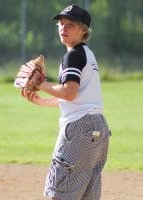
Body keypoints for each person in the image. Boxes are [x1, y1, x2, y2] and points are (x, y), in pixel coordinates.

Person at [20, 4, 111, 200]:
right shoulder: (87, 54)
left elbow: (69, 93)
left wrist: (40, 83)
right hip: (98, 128)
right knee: (86, 195)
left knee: (58, 194)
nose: (63, 28)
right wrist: (41, 100)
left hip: (79, 130)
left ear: (83, 30)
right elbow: (76, 98)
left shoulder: (73, 56)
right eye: (61, 24)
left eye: (70, 25)